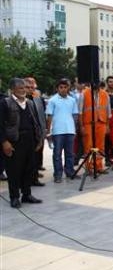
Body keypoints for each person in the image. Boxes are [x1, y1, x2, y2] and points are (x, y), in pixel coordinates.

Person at [0, 78, 43, 208]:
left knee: (29, 168)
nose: (23, 90)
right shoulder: (5, 103)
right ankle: (14, 197)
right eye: (20, 88)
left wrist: (38, 139)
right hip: (14, 142)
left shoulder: (29, 103)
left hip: (29, 140)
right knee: (14, 171)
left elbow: (36, 121)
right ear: (12, 89)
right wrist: (4, 142)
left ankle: (27, 194)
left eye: (24, 88)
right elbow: (0, 125)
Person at [46, 79, 80, 183]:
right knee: (57, 154)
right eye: (61, 87)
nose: (63, 89)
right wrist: (48, 131)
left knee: (70, 153)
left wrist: (74, 129)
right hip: (57, 131)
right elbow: (49, 116)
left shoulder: (72, 100)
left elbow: (75, 115)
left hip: (70, 130)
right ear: (57, 88)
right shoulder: (52, 100)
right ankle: (58, 174)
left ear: (68, 88)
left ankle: (69, 172)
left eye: (65, 87)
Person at [79, 81, 111, 174]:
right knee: (88, 146)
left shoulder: (105, 94)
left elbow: (108, 112)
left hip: (101, 123)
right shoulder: (84, 94)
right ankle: (89, 167)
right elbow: (80, 112)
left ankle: (99, 166)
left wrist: (107, 125)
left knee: (100, 146)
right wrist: (81, 126)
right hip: (88, 123)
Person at [24, 77, 46, 186]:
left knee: (36, 158)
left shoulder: (38, 99)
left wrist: (43, 131)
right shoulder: (22, 100)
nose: (31, 89)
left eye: (32, 87)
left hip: (37, 132)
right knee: (26, 159)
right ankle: (25, 181)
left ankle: (34, 178)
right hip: (26, 133)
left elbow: (41, 116)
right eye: (28, 87)